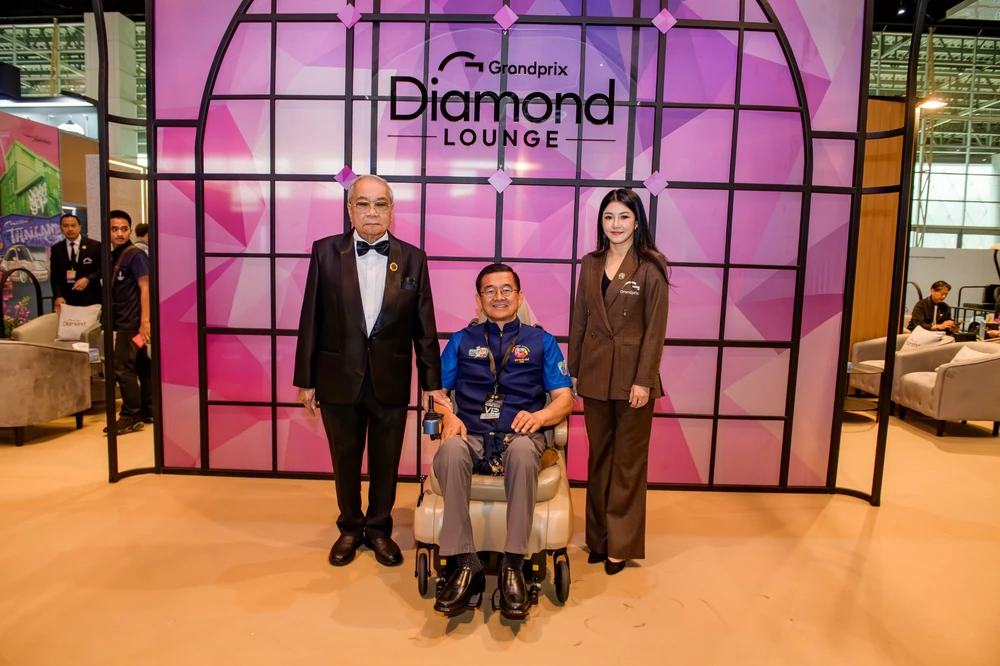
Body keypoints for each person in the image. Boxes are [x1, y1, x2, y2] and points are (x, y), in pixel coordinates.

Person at [294, 174, 447, 568]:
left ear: (392, 210)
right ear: (350, 210)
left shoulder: (413, 258)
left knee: (385, 460)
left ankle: (379, 528)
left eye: (381, 204)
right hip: (337, 376)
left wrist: (431, 383)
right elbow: (311, 317)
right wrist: (306, 380)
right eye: (363, 203)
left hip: (390, 379)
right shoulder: (325, 252)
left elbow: (424, 326)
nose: (372, 212)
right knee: (344, 459)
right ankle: (349, 527)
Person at [429, 263, 573, 619]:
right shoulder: (461, 340)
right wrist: (448, 416)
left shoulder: (543, 342)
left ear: (519, 297)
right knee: (450, 451)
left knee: (523, 452)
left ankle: (513, 563)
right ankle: (466, 562)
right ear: (479, 300)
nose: (499, 296)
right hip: (472, 433)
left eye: (506, 289)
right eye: (489, 290)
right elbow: (436, 393)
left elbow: (564, 399)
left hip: (521, 435)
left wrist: (541, 417)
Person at [568, 188, 670, 575]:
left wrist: (644, 380)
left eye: (623, 217)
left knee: (627, 464)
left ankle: (620, 545)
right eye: (609, 216)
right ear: (601, 222)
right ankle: (598, 539)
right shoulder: (590, 263)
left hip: (633, 380)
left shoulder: (651, 265)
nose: (616, 224)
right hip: (594, 374)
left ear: (637, 221)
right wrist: (573, 370)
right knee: (599, 460)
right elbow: (580, 319)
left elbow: (655, 330)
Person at [104, 210, 151, 435]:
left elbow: (146, 287)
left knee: (122, 366)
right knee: (141, 364)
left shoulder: (135, 255)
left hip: (132, 322)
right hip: (125, 319)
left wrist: (145, 321)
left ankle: (130, 414)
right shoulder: (115, 255)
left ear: (130, 230)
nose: (119, 233)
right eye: (114, 229)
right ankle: (149, 409)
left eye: (124, 229)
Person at [50, 213, 102, 312]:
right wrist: (58, 296)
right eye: (66, 226)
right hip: (67, 299)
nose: (70, 229)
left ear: (79, 227)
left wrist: (88, 279)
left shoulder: (95, 246)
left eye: (73, 225)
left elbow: (104, 269)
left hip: (91, 297)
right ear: (61, 228)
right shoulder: (56, 249)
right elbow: (55, 277)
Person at [131, 222, 153, 423]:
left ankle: (145, 407)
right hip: (141, 319)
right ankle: (146, 407)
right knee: (144, 361)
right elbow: (145, 288)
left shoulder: (133, 254)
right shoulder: (141, 254)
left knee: (142, 361)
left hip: (138, 318)